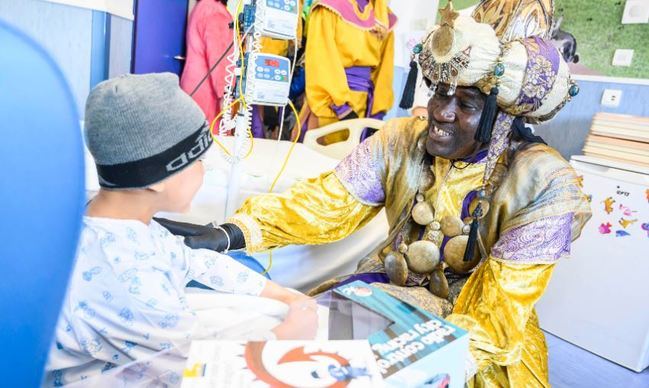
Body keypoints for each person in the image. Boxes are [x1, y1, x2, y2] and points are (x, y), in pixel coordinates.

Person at [158, 0, 591, 385]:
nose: (440, 111)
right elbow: (326, 203)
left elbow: (497, 316)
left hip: (476, 342)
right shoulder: (402, 139)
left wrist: (424, 368)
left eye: (467, 104)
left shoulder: (545, 183)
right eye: (440, 92)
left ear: (502, 115)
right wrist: (231, 233)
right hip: (384, 292)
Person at [45, 73, 317, 386]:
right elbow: (210, 370)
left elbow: (194, 259)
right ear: (158, 177)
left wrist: (284, 295)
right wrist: (292, 332)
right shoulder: (130, 280)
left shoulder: (114, 220)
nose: (207, 168)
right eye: (199, 159)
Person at [291, 0, 397, 141]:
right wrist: (341, 107)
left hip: (364, 107)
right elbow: (321, 58)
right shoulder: (329, 7)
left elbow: (384, 71)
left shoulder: (384, 18)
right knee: (323, 156)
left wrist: (377, 113)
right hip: (329, 105)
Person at [180, 0, 233, 125]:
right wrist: (225, 97)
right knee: (213, 140)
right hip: (208, 92)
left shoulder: (201, 6)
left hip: (193, 86)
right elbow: (219, 60)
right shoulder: (215, 11)